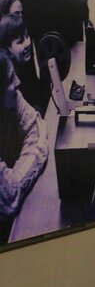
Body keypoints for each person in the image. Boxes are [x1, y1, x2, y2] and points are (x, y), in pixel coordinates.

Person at [0, 50, 49, 243]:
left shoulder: (13, 96)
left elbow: (36, 128)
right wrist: (37, 152)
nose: (18, 83)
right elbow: (9, 199)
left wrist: (13, 179)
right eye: (11, 79)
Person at [0, 14, 49, 115]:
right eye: (20, 41)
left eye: (27, 36)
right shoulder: (12, 78)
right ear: (7, 48)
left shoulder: (25, 66)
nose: (27, 43)